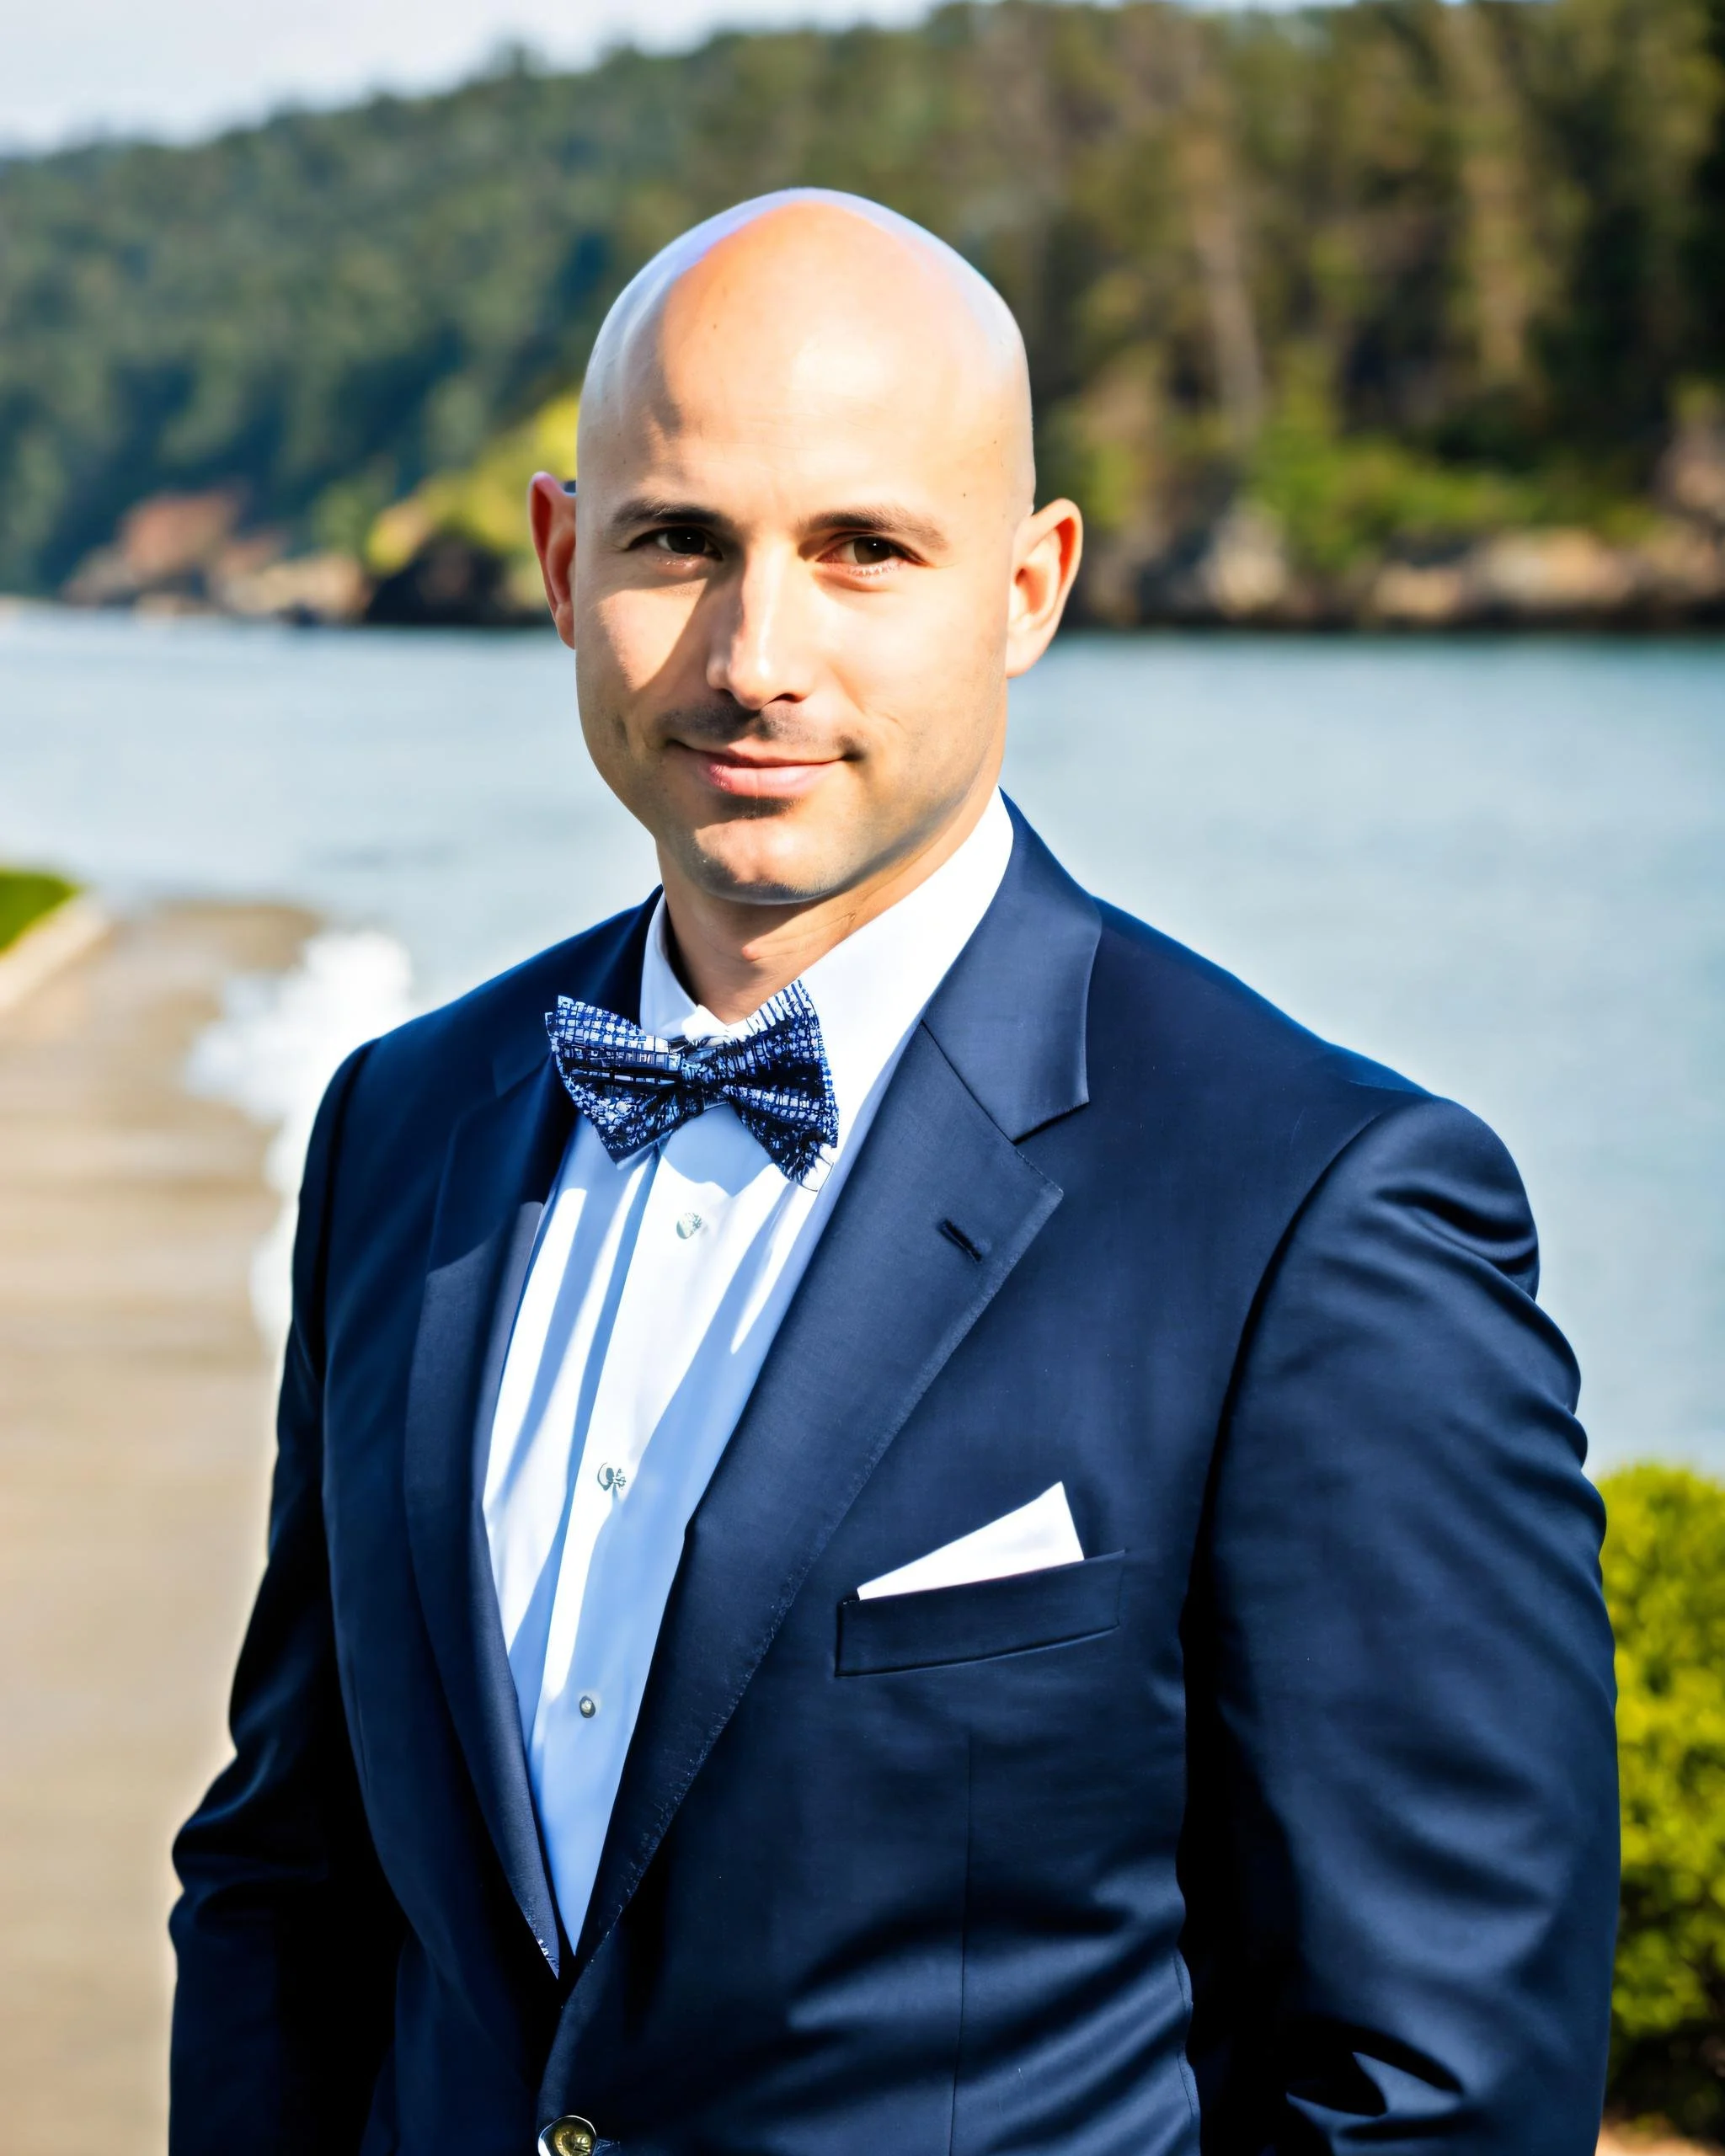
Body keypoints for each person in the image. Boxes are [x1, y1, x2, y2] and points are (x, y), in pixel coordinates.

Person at [168, 191, 1618, 2156]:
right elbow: (291, 1885)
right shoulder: (400, 1126)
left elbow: (1436, 2091)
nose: (757, 655)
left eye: (864, 550)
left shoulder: (1318, 1209)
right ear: (559, 554)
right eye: (679, 539)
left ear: (1026, 586)